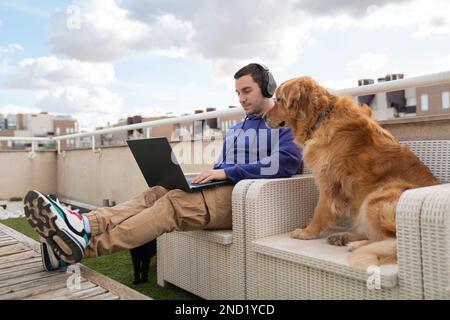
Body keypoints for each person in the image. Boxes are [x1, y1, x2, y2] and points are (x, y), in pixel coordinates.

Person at [24, 63, 303, 271]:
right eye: (237, 92)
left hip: (245, 199)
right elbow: (223, 166)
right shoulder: (237, 128)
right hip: (222, 190)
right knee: (157, 191)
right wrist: (205, 176)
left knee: (172, 204)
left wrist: (226, 173)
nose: (241, 98)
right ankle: (84, 223)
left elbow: (286, 163)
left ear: (267, 88)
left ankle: (80, 248)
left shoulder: (286, 122)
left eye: (247, 91)